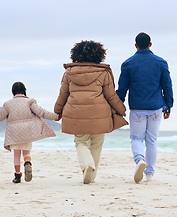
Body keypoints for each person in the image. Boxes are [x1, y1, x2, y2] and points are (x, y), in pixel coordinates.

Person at [54, 40, 126, 184]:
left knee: (81, 142)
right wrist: (121, 109)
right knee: (97, 145)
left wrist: (57, 111)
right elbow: (110, 95)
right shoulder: (103, 72)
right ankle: (91, 175)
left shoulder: (69, 72)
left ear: (76, 55)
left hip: (76, 114)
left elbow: (63, 94)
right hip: (99, 114)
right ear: (99, 55)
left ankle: (87, 165)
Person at [116, 32, 174, 183]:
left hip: (137, 107)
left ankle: (139, 160)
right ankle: (149, 174)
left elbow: (122, 88)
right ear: (150, 44)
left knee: (136, 138)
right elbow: (167, 85)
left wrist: (117, 105)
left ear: (135, 45)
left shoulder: (128, 63)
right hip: (156, 107)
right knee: (152, 140)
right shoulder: (161, 62)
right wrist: (168, 105)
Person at [0, 82, 60, 183]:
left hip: (14, 133)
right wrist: (56, 117)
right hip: (27, 131)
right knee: (26, 151)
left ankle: (17, 176)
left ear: (12, 92)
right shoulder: (30, 101)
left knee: (16, 154)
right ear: (24, 91)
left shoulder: (7, 104)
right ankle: (27, 163)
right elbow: (42, 112)